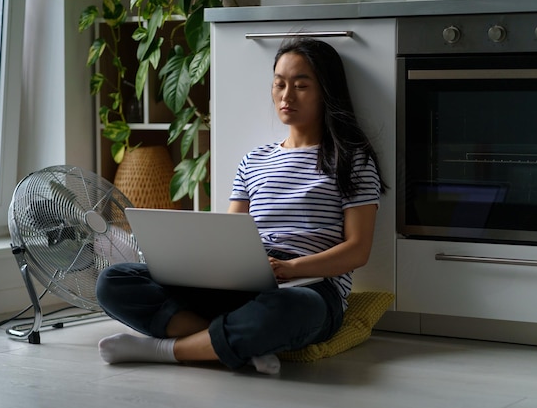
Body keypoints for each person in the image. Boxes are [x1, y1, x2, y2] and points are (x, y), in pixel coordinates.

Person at [95, 37, 386, 374]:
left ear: (326, 91)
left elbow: (357, 250)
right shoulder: (254, 161)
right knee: (114, 281)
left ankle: (163, 350)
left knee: (288, 310)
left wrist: (292, 269)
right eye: (279, 84)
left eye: (301, 85)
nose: (286, 96)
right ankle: (232, 344)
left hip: (311, 287)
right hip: (242, 279)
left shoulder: (352, 160)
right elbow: (229, 235)